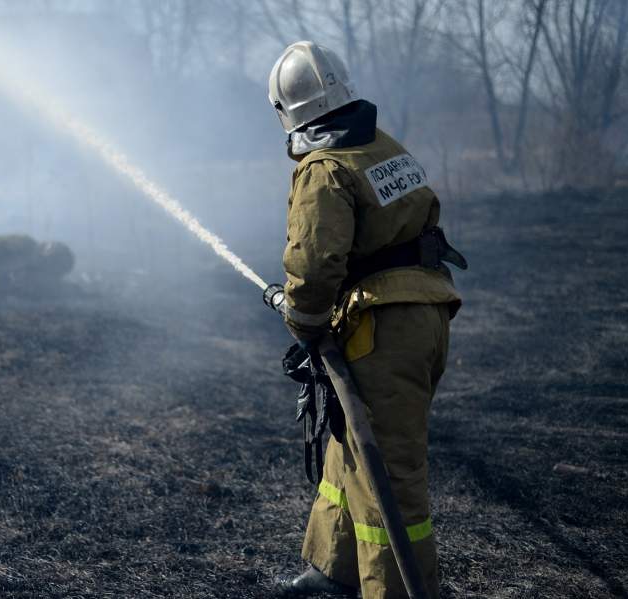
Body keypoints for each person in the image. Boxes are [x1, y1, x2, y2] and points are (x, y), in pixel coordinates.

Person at [266, 41, 465, 599]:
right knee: (349, 446)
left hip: (382, 329)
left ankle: (399, 591)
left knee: (388, 477)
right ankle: (333, 570)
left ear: (287, 111)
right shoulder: (379, 144)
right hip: (421, 315)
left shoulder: (323, 168)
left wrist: (304, 324)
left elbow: (312, 266)